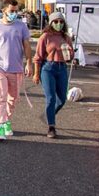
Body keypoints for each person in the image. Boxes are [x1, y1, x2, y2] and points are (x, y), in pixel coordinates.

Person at [0, 0, 33, 142]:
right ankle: (1, 126)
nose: (14, 14)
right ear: (4, 10)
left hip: (16, 68)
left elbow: (27, 46)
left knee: (13, 99)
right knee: (1, 98)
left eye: (16, 11)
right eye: (12, 11)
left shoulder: (21, 27)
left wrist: (29, 63)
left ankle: (6, 120)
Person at [33, 11, 73, 139]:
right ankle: (51, 126)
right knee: (51, 98)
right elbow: (38, 57)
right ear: (50, 23)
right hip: (48, 68)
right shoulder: (45, 37)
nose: (58, 24)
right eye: (55, 22)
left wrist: (71, 53)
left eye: (61, 22)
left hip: (62, 68)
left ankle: (50, 114)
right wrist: (36, 73)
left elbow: (71, 57)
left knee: (62, 100)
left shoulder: (66, 37)